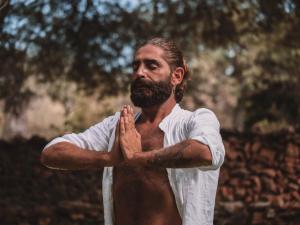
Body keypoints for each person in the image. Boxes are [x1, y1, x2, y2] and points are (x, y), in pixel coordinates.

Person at [41, 37, 225, 225]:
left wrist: (137, 158)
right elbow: (51, 153)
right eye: (135, 67)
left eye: (151, 66)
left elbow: (206, 152)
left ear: (176, 76)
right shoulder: (119, 126)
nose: (139, 73)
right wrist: (108, 159)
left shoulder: (195, 120)